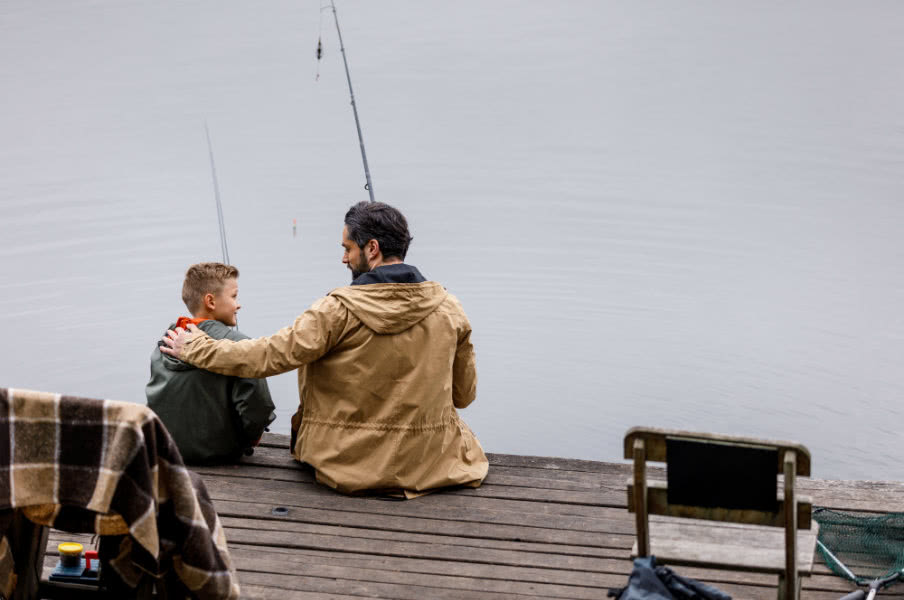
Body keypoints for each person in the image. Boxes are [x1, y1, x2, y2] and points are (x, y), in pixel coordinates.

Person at [160, 202, 488, 497]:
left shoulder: (336, 311)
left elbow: (266, 356)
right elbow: (464, 394)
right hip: (432, 464)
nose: (344, 257)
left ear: (371, 248)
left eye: (348, 248)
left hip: (347, 463)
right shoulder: (449, 308)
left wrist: (197, 348)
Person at [146, 262, 276, 464]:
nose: (238, 304)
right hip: (221, 453)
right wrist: (250, 437)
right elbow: (257, 407)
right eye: (234, 296)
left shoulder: (167, 340)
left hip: (167, 448)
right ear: (211, 301)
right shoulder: (240, 345)